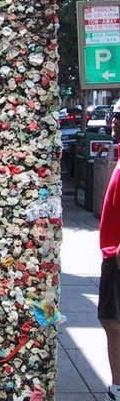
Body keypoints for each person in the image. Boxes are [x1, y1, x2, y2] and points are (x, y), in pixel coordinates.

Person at [99, 99, 120, 400]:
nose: (113, 122)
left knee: (113, 321)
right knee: (110, 320)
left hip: (117, 255)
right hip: (112, 253)